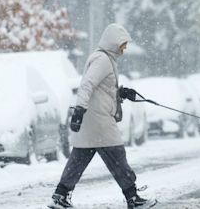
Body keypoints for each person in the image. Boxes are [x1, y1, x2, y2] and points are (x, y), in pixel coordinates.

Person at [48, 24, 155, 209]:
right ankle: (133, 198)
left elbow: (101, 89)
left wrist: (121, 92)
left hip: (93, 121)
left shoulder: (105, 59)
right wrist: (79, 109)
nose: (124, 48)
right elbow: (87, 85)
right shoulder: (102, 60)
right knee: (117, 157)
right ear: (113, 43)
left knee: (79, 159)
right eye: (122, 44)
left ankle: (60, 195)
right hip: (99, 122)